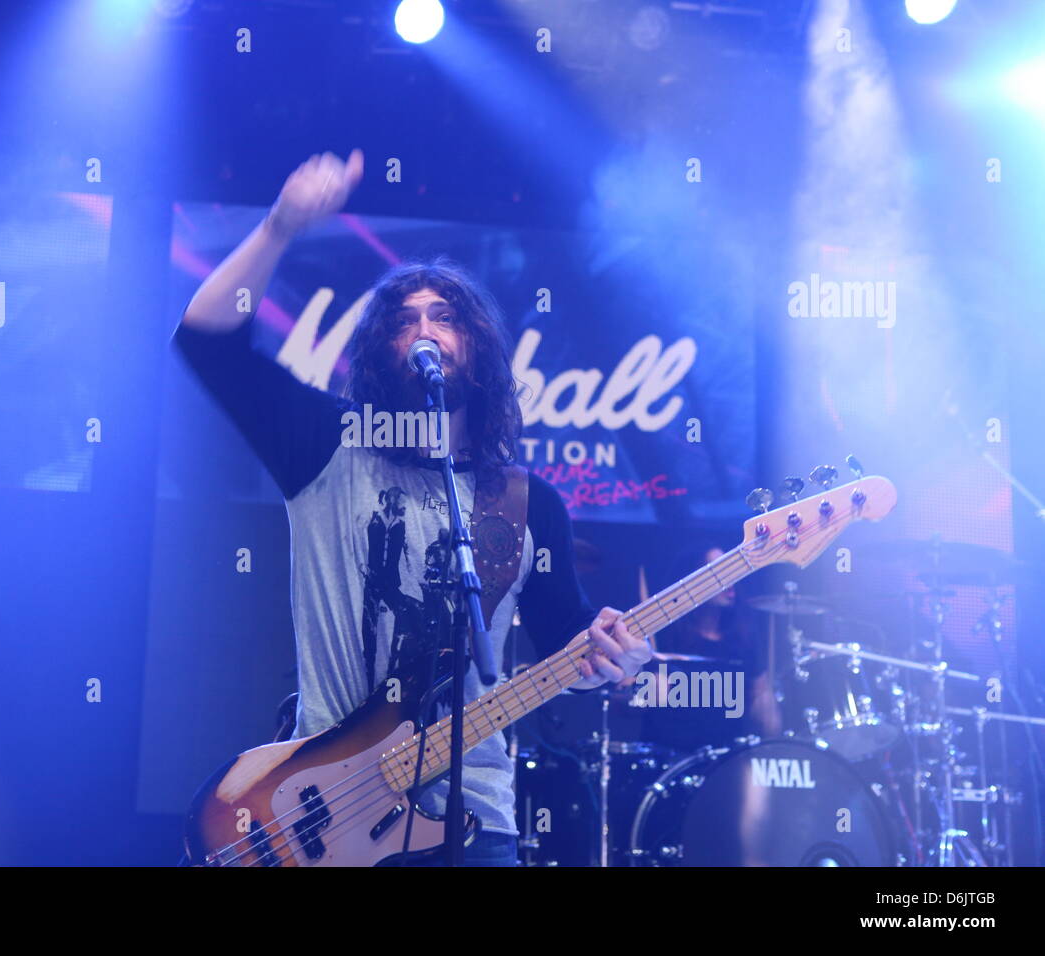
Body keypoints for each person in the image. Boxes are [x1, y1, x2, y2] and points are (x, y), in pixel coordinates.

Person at [173, 148, 653, 866]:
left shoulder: (529, 503)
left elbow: (565, 639)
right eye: (404, 319)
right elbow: (209, 343)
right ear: (380, 348)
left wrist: (616, 656)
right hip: (324, 810)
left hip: (474, 818)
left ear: (477, 347)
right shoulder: (325, 446)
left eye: (445, 316)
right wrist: (279, 227)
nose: (425, 328)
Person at [637, 544, 781, 753]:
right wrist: (644, 694)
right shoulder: (661, 634)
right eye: (718, 572)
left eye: (732, 571)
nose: (730, 582)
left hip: (725, 763)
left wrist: (767, 710)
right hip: (668, 762)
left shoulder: (743, 639)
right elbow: (618, 705)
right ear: (692, 579)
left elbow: (762, 703)